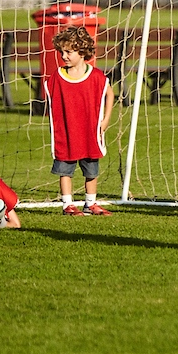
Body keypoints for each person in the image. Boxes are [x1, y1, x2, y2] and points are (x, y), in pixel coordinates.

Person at [45, 25, 114, 216]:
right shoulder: (57, 77)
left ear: (82, 51)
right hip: (67, 133)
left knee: (91, 171)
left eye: (68, 51)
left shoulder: (97, 77)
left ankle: (90, 204)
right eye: (61, 52)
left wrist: (106, 119)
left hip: (89, 132)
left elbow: (109, 94)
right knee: (65, 169)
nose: (64, 56)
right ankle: (68, 204)